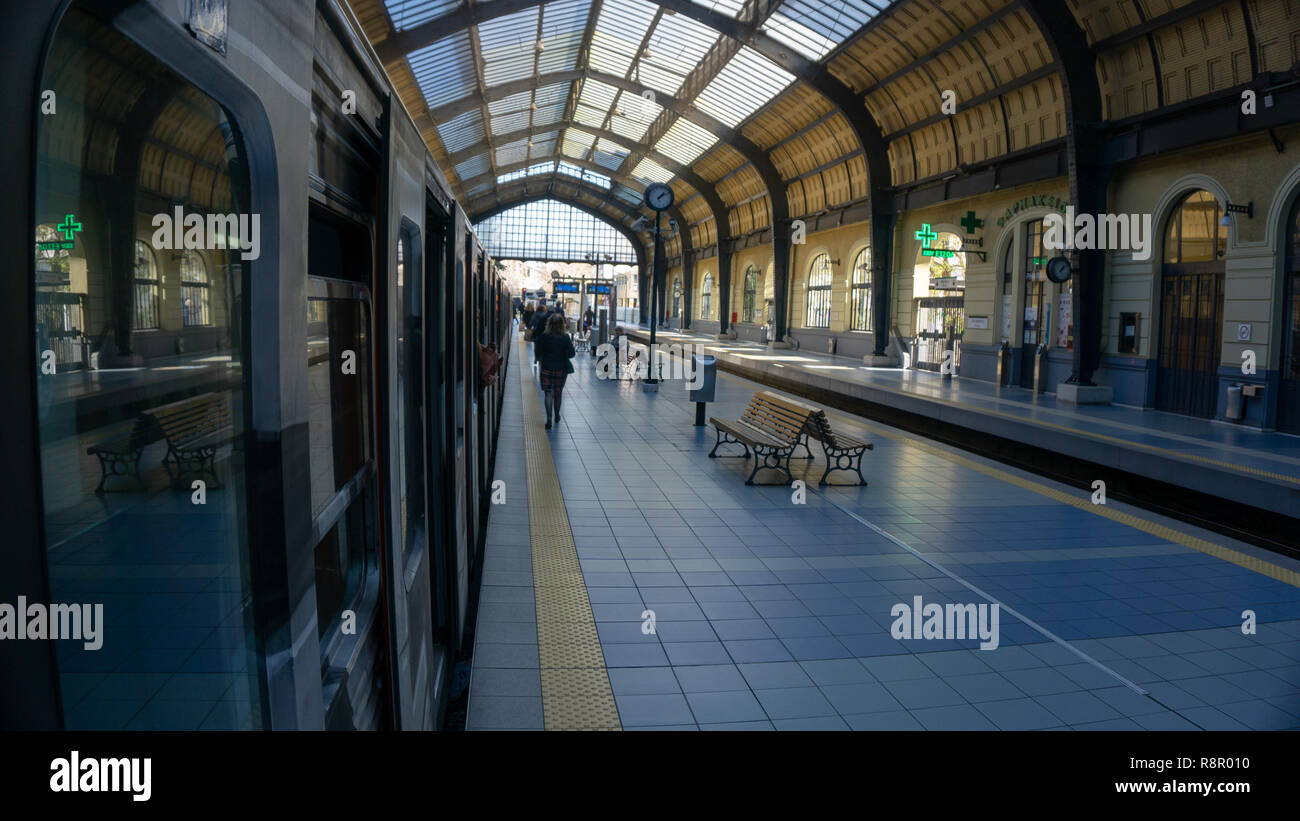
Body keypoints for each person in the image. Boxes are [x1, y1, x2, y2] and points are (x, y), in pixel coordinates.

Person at [535, 312, 575, 430]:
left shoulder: (544, 336)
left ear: (549, 324)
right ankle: (557, 415)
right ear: (562, 324)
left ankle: (548, 418)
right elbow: (572, 354)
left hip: (546, 367)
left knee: (548, 393)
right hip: (561, 369)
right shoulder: (565, 337)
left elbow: (538, 352)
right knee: (558, 393)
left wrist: (541, 358)